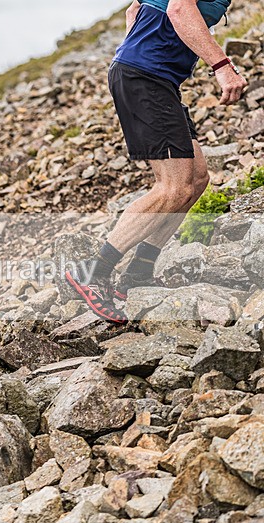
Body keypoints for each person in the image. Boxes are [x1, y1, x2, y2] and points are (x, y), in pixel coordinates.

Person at [66, 0, 247, 324]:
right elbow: (178, 8)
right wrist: (222, 66)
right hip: (145, 78)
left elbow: (134, 10)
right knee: (173, 188)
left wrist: (137, 47)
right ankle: (92, 272)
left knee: (196, 179)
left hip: (156, 78)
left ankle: (138, 272)